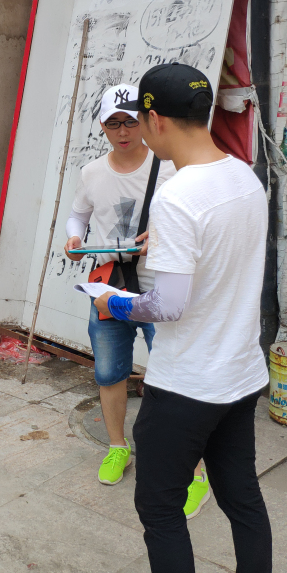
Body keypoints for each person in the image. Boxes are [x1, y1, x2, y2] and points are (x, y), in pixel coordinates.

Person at [94, 63, 274, 573]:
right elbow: (221, 259)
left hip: (188, 383)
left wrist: (112, 301)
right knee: (241, 494)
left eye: (141, 121)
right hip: (240, 373)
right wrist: (164, 248)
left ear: (155, 119)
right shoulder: (243, 175)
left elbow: (167, 306)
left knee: (160, 506)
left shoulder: (176, 196)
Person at [64, 83, 181, 490]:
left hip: (159, 287)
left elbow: (192, 223)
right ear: (102, 126)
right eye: (113, 123)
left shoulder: (169, 167)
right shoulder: (92, 173)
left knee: (172, 375)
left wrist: (161, 238)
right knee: (109, 372)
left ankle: (183, 458)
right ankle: (117, 446)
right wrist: (74, 239)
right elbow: (77, 216)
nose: (123, 131)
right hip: (108, 286)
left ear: (146, 122)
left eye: (130, 121)